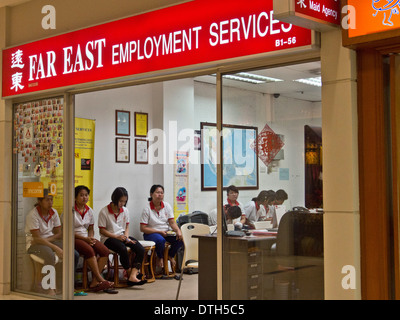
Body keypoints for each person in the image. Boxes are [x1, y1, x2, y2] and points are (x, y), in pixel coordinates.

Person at [73, 185, 117, 293]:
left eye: (86, 195)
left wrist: (91, 238)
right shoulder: (70, 210)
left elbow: (91, 228)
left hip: (86, 237)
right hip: (73, 238)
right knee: (90, 251)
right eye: (81, 195)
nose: (84, 198)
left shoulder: (90, 211)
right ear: (75, 197)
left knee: (104, 251)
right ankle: (100, 279)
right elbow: (67, 232)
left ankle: (93, 282)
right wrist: (85, 239)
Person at [98, 187, 146, 286]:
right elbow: (102, 230)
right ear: (114, 198)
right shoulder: (104, 211)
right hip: (108, 238)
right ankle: (128, 272)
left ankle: (133, 274)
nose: (122, 204)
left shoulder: (125, 210)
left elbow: (127, 226)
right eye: (120, 201)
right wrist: (116, 237)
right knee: (122, 248)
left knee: (140, 248)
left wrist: (127, 237)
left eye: (124, 201)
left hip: (121, 236)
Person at [25, 189, 62, 295]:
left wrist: (45, 240)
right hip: (33, 245)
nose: (50, 202)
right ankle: (48, 287)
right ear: (40, 201)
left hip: (44, 241)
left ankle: (63, 283)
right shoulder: (32, 215)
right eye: (47, 200)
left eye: (51, 200)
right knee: (49, 255)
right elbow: (35, 238)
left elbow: (59, 234)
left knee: (73, 252)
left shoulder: (54, 212)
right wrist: (55, 247)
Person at [140, 184, 183, 273]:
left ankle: (170, 256)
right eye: (157, 192)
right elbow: (143, 228)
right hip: (151, 233)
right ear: (151, 194)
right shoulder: (147, 209)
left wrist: (178, 230)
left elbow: (172, 222)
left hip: (165, 232)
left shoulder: (167, 206)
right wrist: (159, 231)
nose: (160, 195)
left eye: (162, 193)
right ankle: (160, 257)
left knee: (180, 239)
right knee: (160, 240)